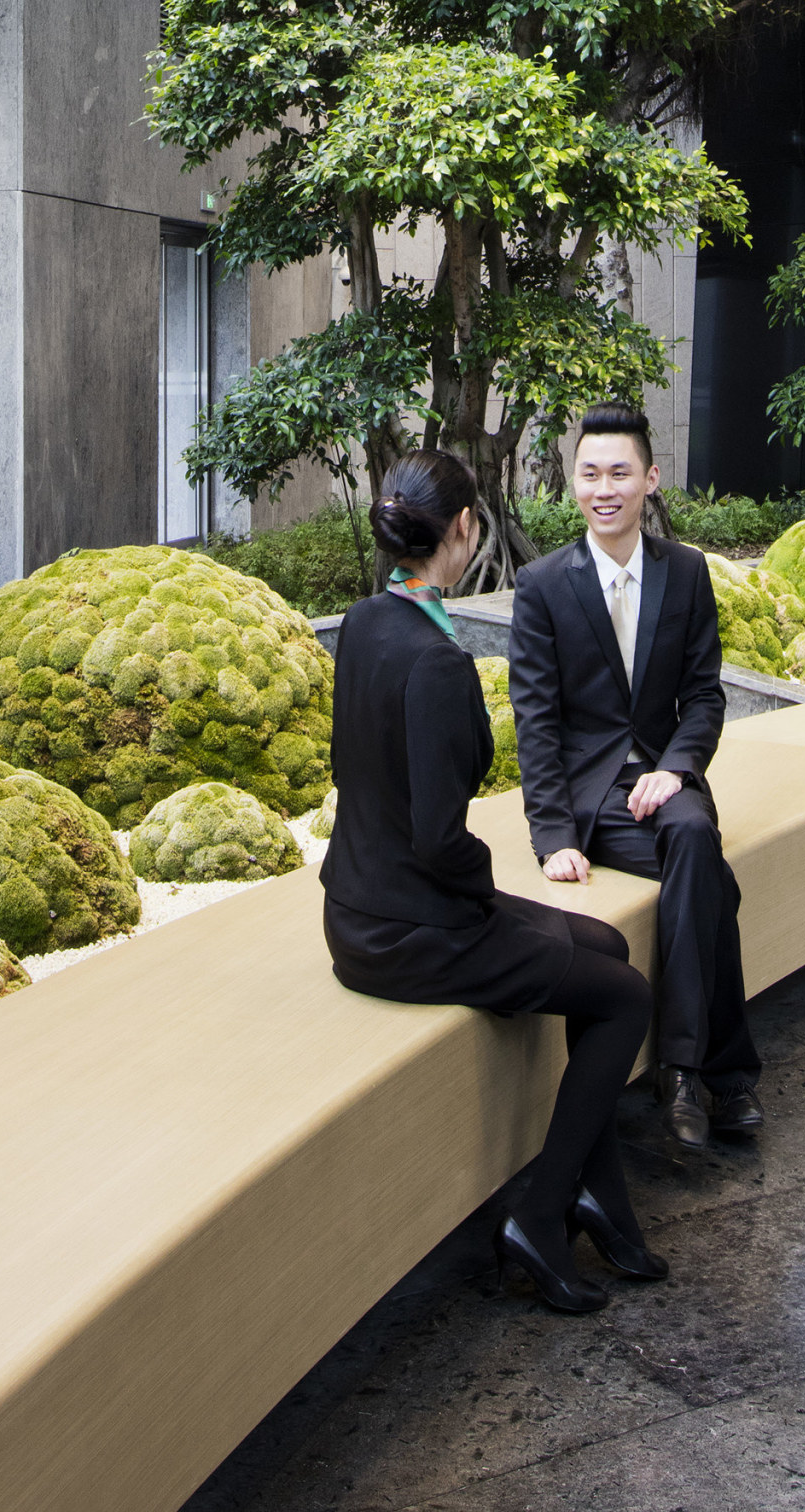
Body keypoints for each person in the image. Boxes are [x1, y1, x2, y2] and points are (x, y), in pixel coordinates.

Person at [321, 445, 666, 1315]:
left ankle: (600, 1200)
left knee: (605, 943)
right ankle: (541, 1215)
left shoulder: (367, 622)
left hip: (360, 910)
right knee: (625, 998)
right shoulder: (435, 662)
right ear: (466, 530)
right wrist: (492, 901)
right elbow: (442, 844)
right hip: (416, 930)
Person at [508, 403, 762, 1154]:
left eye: (620, 472)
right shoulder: (543, 584)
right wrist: (552, 836)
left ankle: (680, 1068)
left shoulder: (685, 572)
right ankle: (724, 1069)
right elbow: (537, 719)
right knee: (711, 878)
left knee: (690, 832)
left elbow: (705, 695)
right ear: (572, 482)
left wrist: (677, 768)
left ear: (651, 479)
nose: (604, 488)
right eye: (590, 473)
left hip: (665, 786)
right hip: (593, 799)